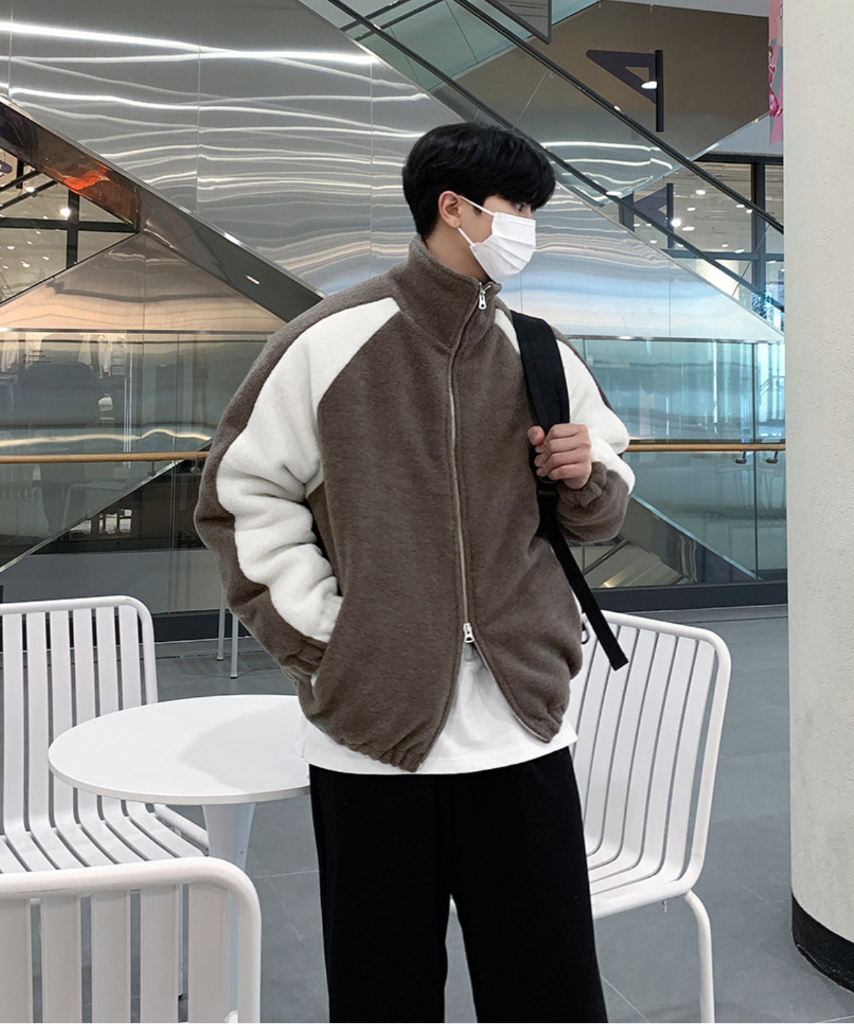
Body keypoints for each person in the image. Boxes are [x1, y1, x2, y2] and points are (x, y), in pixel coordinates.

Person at [195, 122, 635, 1023]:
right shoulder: (327, 343)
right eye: (517, 207)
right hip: (371, 732)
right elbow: (239, 499)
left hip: (521, 724)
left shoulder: (540, 350)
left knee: (549, 993)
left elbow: (598, 511)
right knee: (383, 995)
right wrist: (331, 643)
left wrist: (584, 475)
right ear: (454, 208)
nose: (527, 227)